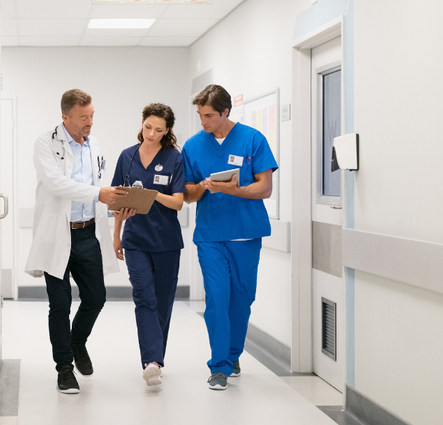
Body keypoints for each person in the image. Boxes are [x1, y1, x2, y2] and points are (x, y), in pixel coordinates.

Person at [24, 89, 127, 395]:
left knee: (96, 298)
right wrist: (100, 194)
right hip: (58, 234)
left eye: (92, 115)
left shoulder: (93, 144)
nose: (90, 122)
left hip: (87, 233)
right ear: (65, 117)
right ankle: (64, 369)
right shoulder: (45, 143)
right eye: (84, 117)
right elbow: (56, 183)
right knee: (60, 304)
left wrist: (115, 202)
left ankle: (76, 341)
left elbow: (96, 186)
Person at [182, 84, 278, 390]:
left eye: (209, 115)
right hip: (210, 235)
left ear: (226, 112)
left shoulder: (253, 139)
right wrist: (204, 186)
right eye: (200, 115)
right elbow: (187, 194)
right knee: (217, 297)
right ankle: (219, 365)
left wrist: (235, 189)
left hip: (246, 235)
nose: (203, 121)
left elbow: (265, 188)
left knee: (242, 299)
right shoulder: (193, 146)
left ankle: (233, 353)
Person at [110, 103, 185, 387]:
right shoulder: (127, 157)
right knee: (144, 297)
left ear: (167, 132)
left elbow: (177, 201)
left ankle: (156, 357)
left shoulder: (173, 158)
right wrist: (117, 234)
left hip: (166, 241)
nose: (152, 134)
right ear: (142, 122)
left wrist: (151, 195)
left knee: (163, 302)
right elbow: (117, 199)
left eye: (159, 130)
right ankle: (151, 361)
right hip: (136, 240)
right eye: (148, 127)